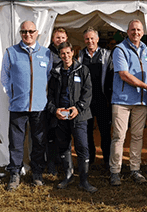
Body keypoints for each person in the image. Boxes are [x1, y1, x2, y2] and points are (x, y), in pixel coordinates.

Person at [1, 20, 52, 191]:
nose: (27, 35)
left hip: (39, 107)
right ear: (20, 33)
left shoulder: (46, 53)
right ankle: (14, 173)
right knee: (16, 143)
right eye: (24, 32)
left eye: (31, 31)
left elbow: (49, 77)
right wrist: (14, 94)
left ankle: (37, 173)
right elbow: (5, 77)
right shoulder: (11, 52)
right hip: (18, 107)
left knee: (38, 141)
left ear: (37, 33)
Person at [109, 19, 147, 186]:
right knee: (119, 137)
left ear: (142, 33)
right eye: (132, 30)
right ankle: (115, 171)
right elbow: (124, 74)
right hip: (122, 100)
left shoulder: (145, 49)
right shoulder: (119, 49)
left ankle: (135, 169)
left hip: (141, 101)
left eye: (138, 30)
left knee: (137, 136)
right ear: (127, 32)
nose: (135, 32)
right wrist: (146, 86)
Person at [46, 42, 97, 193]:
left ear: (73, 52)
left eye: (68, 53)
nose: (66, 56)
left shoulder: (83, 70)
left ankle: (84, 180)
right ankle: (68, 176)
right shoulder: (55, 72)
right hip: (61, 115)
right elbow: (49, 96)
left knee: (82, 147)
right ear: (59, 55)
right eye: (62, 54)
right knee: (64, 146)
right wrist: (55, 110)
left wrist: (78, 107)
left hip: (79, 115)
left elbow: (88, 93)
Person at [77, 27, 113, 169]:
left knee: (105, 131)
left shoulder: (106, 54)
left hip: (102, 99)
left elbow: (111, 75)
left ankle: (107, 160)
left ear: (97, 39)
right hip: (86, 101)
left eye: (92, 38)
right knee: (87, 131)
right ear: (84, 40)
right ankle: (90, 159)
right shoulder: (80, 56)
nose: (90, 41)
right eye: (87, 38)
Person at [46, 27, 69, 175]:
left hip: (65, 99)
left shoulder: (68, 53)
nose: (60, 40)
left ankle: (64, 162)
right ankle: (51, 164)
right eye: (57, 37)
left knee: (64, 131)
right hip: (51, 97)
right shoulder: (47, 53)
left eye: (62, 37)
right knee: (51, 132)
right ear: (53, 39)